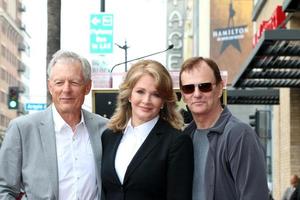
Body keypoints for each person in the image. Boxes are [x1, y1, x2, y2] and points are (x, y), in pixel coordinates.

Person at [0, 50, 108, 199]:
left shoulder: (106, 129)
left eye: (74, 82)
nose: (66, 89)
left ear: (88, 86)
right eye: (59, 82)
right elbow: (4, 189)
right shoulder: (22, 129)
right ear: (50, 87)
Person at [101, 59, 194, 200]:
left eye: (156, 94)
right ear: (129, 95)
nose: (146, 100)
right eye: (140, 92)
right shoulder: (109, 136)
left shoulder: (177, 142)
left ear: (163, 102)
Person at [179, 56, 269, 200]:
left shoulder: (239, 134)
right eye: (189, 88)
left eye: (205, 86)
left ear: (220, 89)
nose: (197, 94)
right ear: (183, 96)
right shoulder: (185, 138)